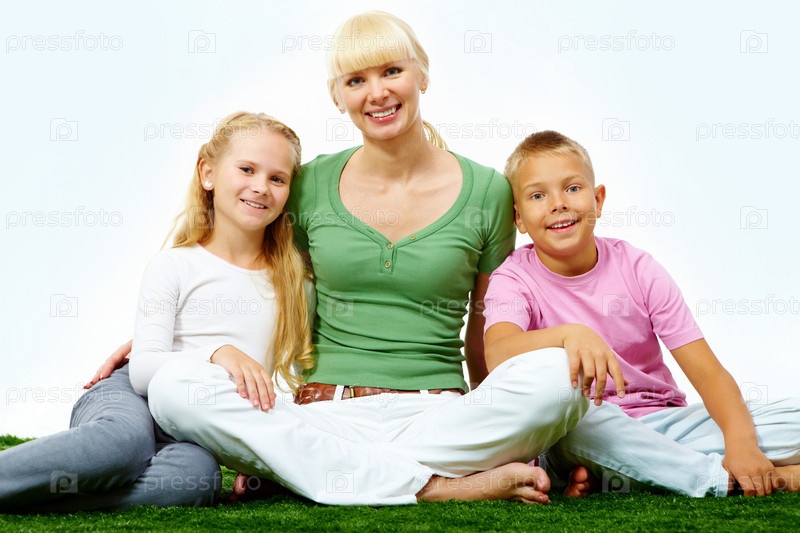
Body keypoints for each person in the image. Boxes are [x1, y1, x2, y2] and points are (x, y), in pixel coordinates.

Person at [141, 11, 600, 506]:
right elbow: (255, 268)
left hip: (441, 418)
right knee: (172, 387)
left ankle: (311, 471)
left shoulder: (488, 191)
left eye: (392, 71)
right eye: (356, 80)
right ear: (337, 97)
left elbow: (484, 332)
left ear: (422, 74)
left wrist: (505, 424)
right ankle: (439, 488)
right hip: (322, 414)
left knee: (561, 377)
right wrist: (170, 328)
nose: (377, 93)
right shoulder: (308, 184)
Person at [0, 111, 314, 512]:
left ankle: (38, 500)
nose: (260, 187)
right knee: (122, 445)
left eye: (277, 178)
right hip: (131, 399)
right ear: (208, 173)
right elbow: (145, 369)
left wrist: (263, 458)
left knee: (197, 479)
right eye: (247, 169)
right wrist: (217, 353)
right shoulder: (174, 264)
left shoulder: (294, 282)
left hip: (189, 430)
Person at [483, 130, 800, 498]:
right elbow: (498, 352)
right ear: (519, 218)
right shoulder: (513, 278)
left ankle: (635, 474)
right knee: (577, 422)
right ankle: (740, 481)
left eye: (572, 188)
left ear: (598, 200)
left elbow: (709, 372)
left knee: (782, 419)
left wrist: (741, 443)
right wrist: (569, 334)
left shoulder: (638, 268)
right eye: (538, 196)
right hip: (578, 431)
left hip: (665, 423)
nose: (558, 203)